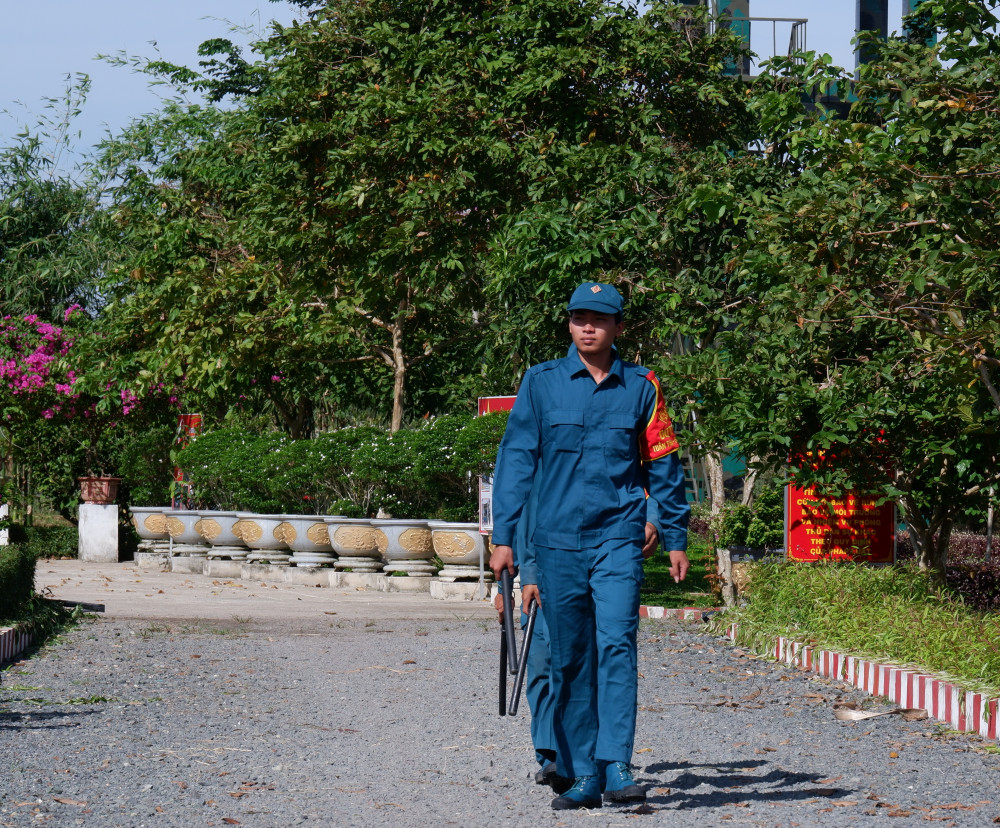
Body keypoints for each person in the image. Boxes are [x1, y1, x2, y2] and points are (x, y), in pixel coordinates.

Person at [490, 281, 690, 810]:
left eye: (600, 319)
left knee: (618, 644)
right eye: (579, 317)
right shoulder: (542, 383)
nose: (588, 326)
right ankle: (581, 773)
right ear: (569, 323)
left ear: (618, 327)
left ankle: (616, 762)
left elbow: (665, 466)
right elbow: (515, 462)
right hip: (555, 544)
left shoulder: (643, 388)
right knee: (571, 656)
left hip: (618, 539)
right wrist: (504, 538)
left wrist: (674, 534)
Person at [494, 489, 664, 796]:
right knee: (545, 663)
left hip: (605, 560)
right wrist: (511, 581)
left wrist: (654, 522)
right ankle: (554, 754)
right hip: (547, 566)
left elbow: (651, 481)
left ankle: (603, 760)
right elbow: (521, 507)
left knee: (605, 660)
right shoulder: (537, 447)